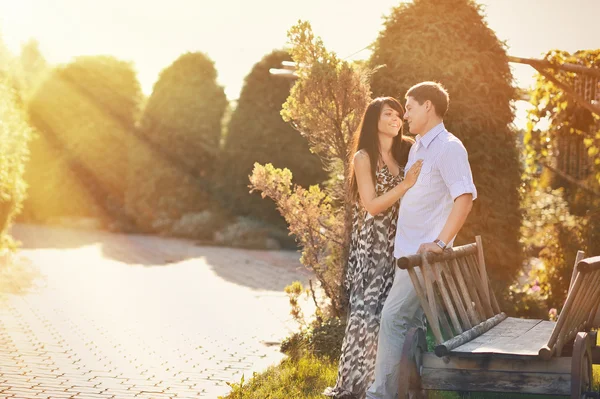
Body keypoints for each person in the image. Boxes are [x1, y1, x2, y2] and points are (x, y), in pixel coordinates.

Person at [367, 82, 477, 399]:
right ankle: (414, 393)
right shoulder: (418, 147)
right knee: (411, 330)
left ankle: (380, 396)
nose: (406, 114)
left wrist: (441, 244)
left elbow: (465, 198)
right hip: (408, 257)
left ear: (428, 106)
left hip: (424, 259)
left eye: (410, 107)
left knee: (392, 319)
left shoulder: (449, 147)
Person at [324, 97, 423, 399]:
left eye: (398, 114)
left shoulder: (406, 149)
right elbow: (371, 205)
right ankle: (357, 386)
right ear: (374, 120)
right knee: (368, 314)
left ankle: (391, 383)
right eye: (388, 114)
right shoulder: (363, 157)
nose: (396, 119)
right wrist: (405, 184)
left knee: (391, 316)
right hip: (374, 245)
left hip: (401, 241)